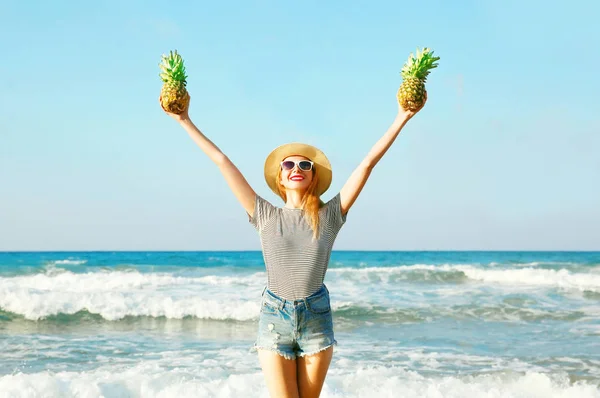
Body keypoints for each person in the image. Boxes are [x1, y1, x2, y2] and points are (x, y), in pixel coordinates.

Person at [161, 93, 426, 397]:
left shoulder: (329, 216)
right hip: (275, 317)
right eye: (288, 164)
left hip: (316, 318)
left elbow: (366, 164)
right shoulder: (264, 214)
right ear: (281, 179)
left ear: (313, 177)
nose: (296, 167)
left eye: (305, 164)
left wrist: (402, 117)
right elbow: (222, 162)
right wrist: (184, 121)